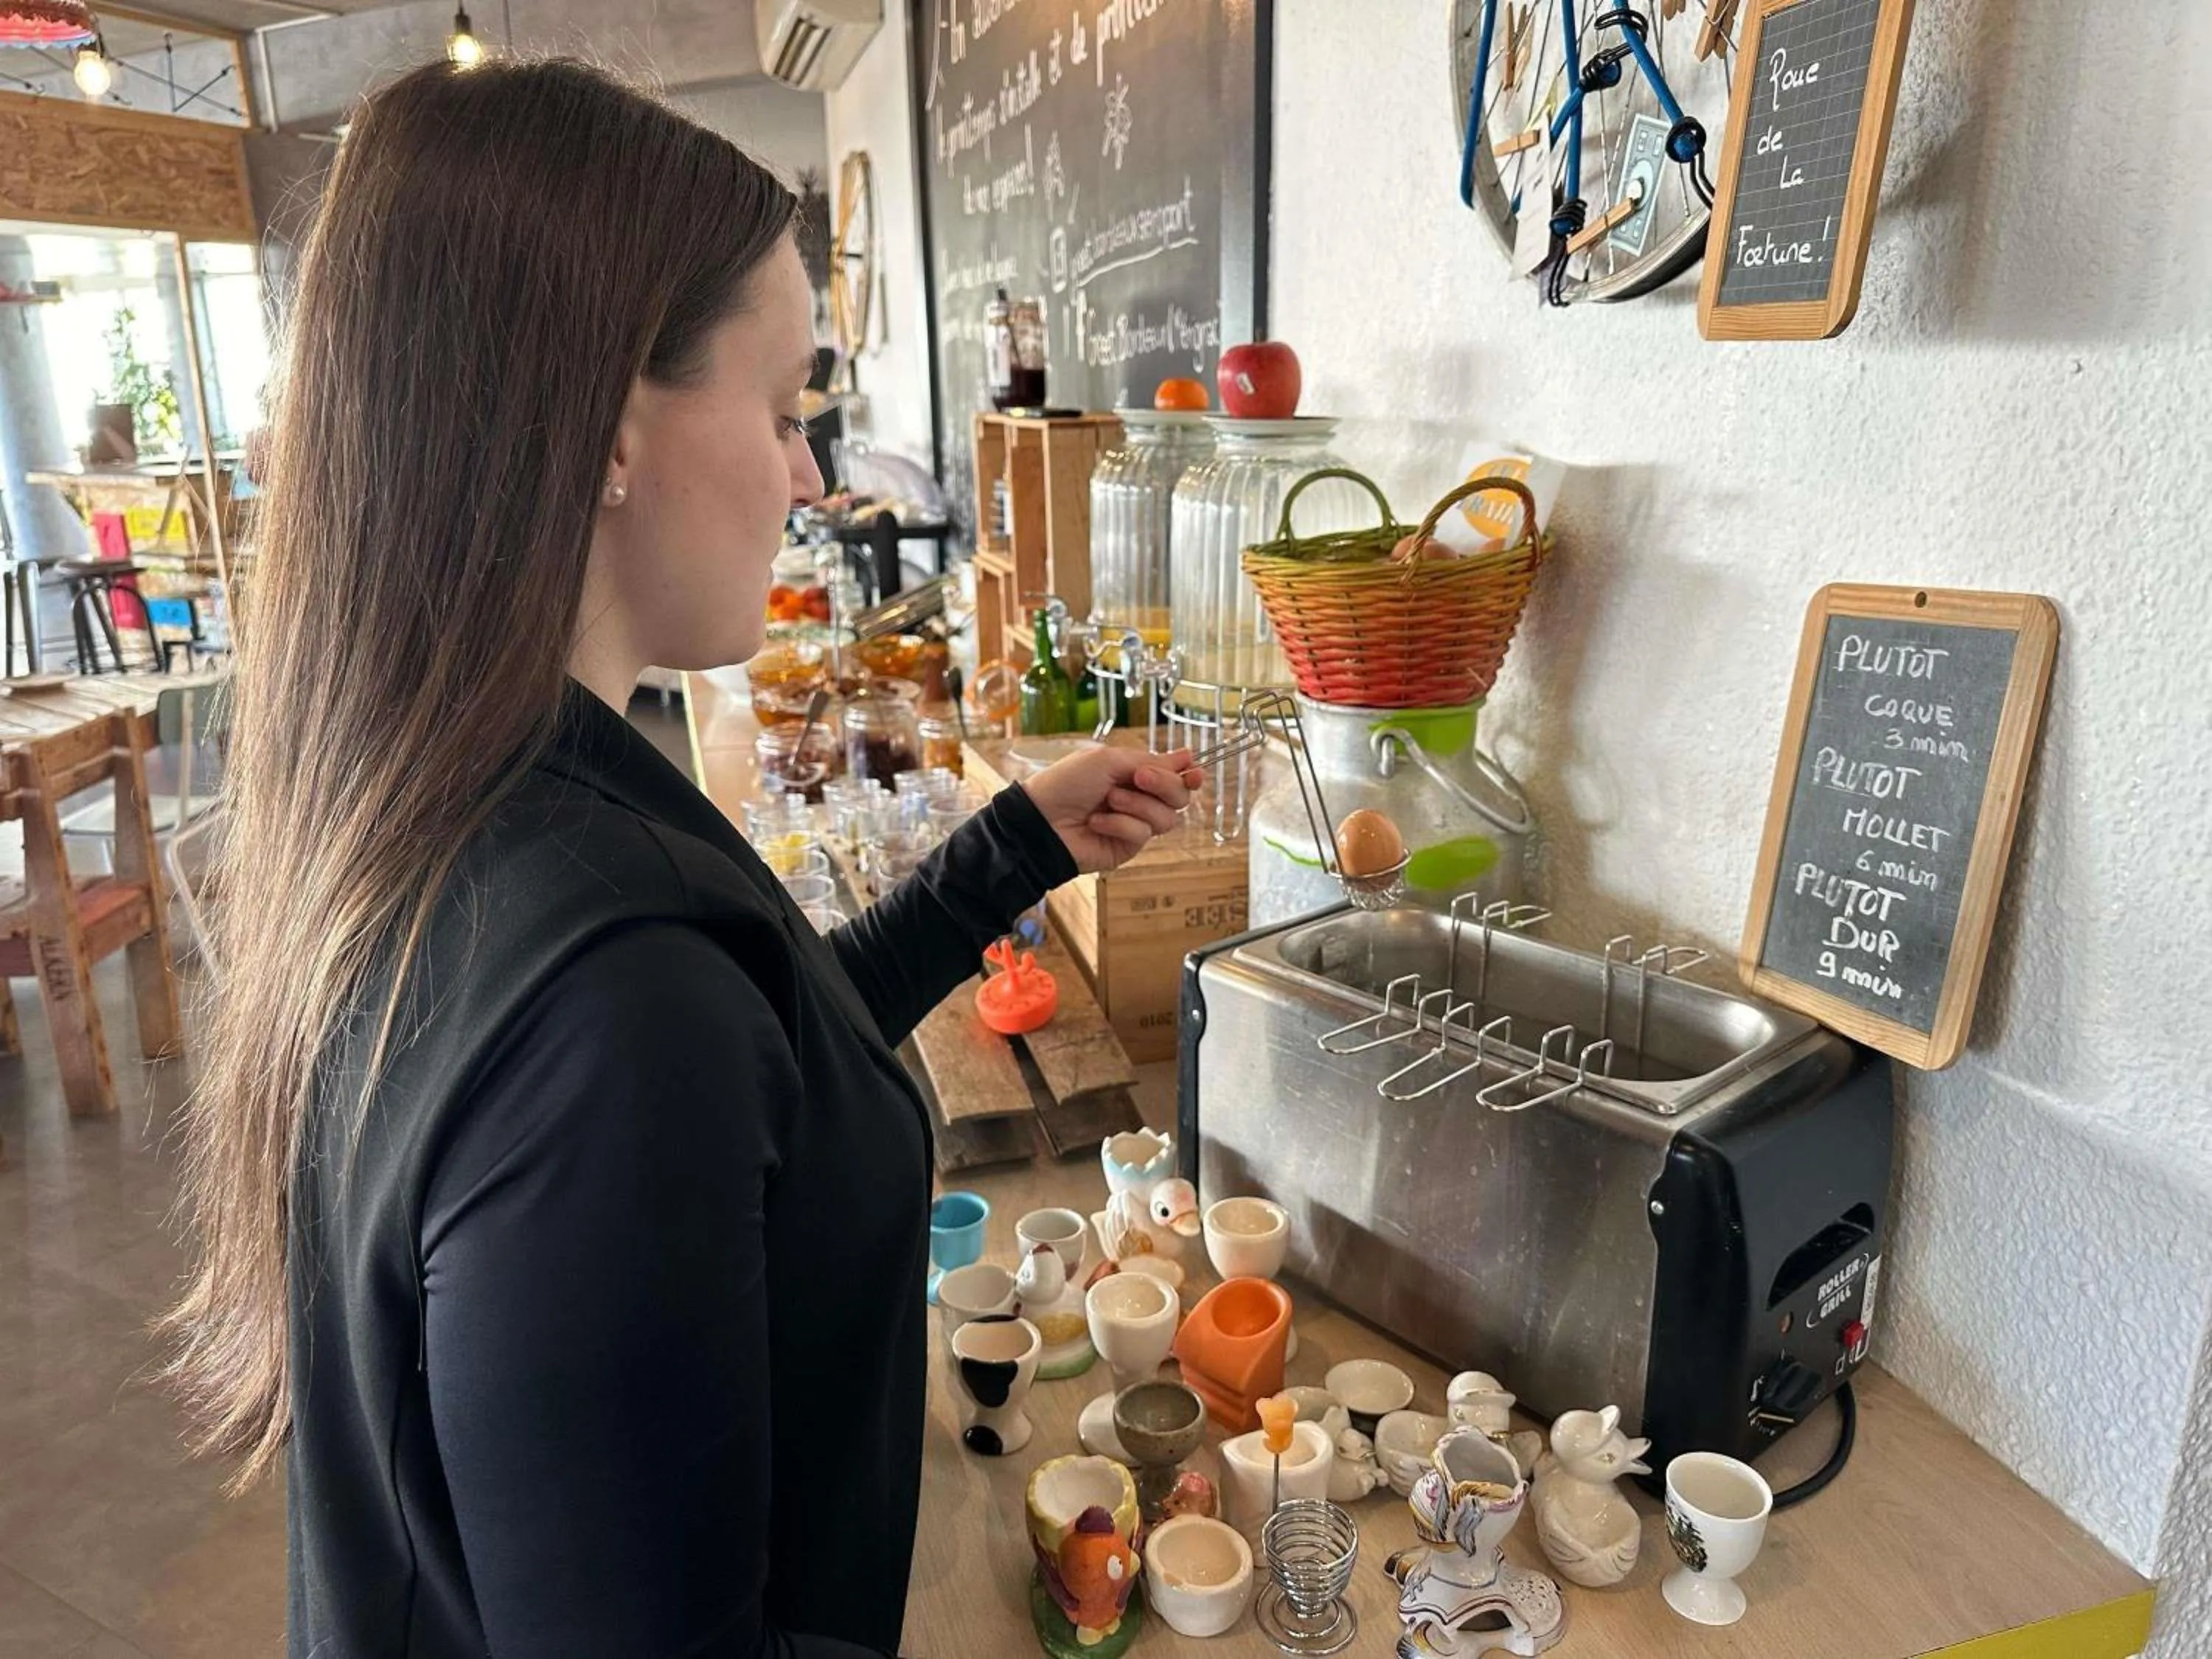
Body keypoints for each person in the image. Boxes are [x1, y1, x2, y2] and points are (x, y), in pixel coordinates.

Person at [161, 58, 1201, 1659]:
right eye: (783, 412)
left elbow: (767, 1055)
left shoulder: (465, 796)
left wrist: (1007, 852)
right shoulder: (604, 1008)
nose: (810, 476)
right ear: (604, 428)